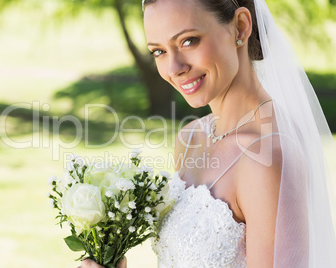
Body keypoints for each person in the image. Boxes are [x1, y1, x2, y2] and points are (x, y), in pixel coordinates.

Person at [80, 0, 336, 267]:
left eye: (189, 41)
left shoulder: (266, 156)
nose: (173, 68)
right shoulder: (191, 138)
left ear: (240, 27)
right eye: (158, 51)